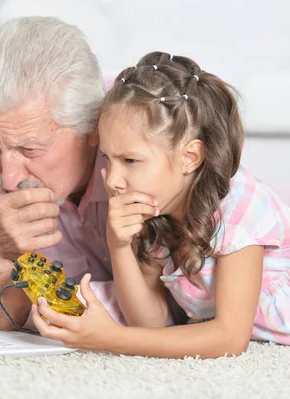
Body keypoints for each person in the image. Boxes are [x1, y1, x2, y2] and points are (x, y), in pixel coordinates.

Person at [32, 51, 290, 358]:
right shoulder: (159, 210)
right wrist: (118, 245)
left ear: (189, 157)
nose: (113, 180)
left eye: (130, 160)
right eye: (107, 158)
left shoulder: (239, 209)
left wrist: (112, 339)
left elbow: (230, 338)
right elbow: (149, 322)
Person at [0, 16, 126, 330]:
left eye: (30, 150)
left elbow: (177, 303)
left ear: (92, 126)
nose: (10, 177)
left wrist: (33, 304)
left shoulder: (144, 137)